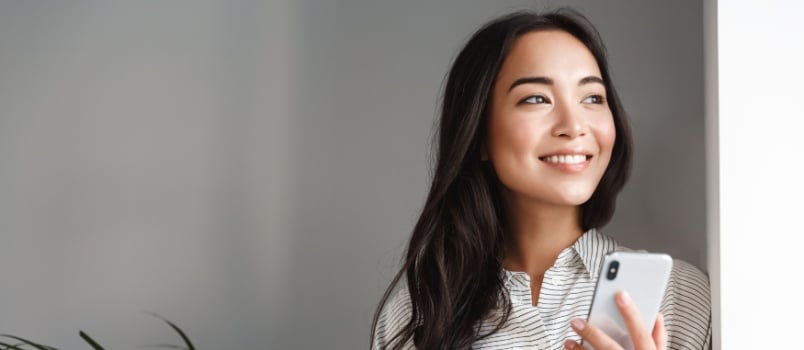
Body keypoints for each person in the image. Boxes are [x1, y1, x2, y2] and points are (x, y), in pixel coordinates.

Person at [370, 8, 711, 350]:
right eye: (536, 98)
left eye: (592, 98)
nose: (574, 125)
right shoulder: (419, 311)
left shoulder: (680, 297)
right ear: (479, 135)